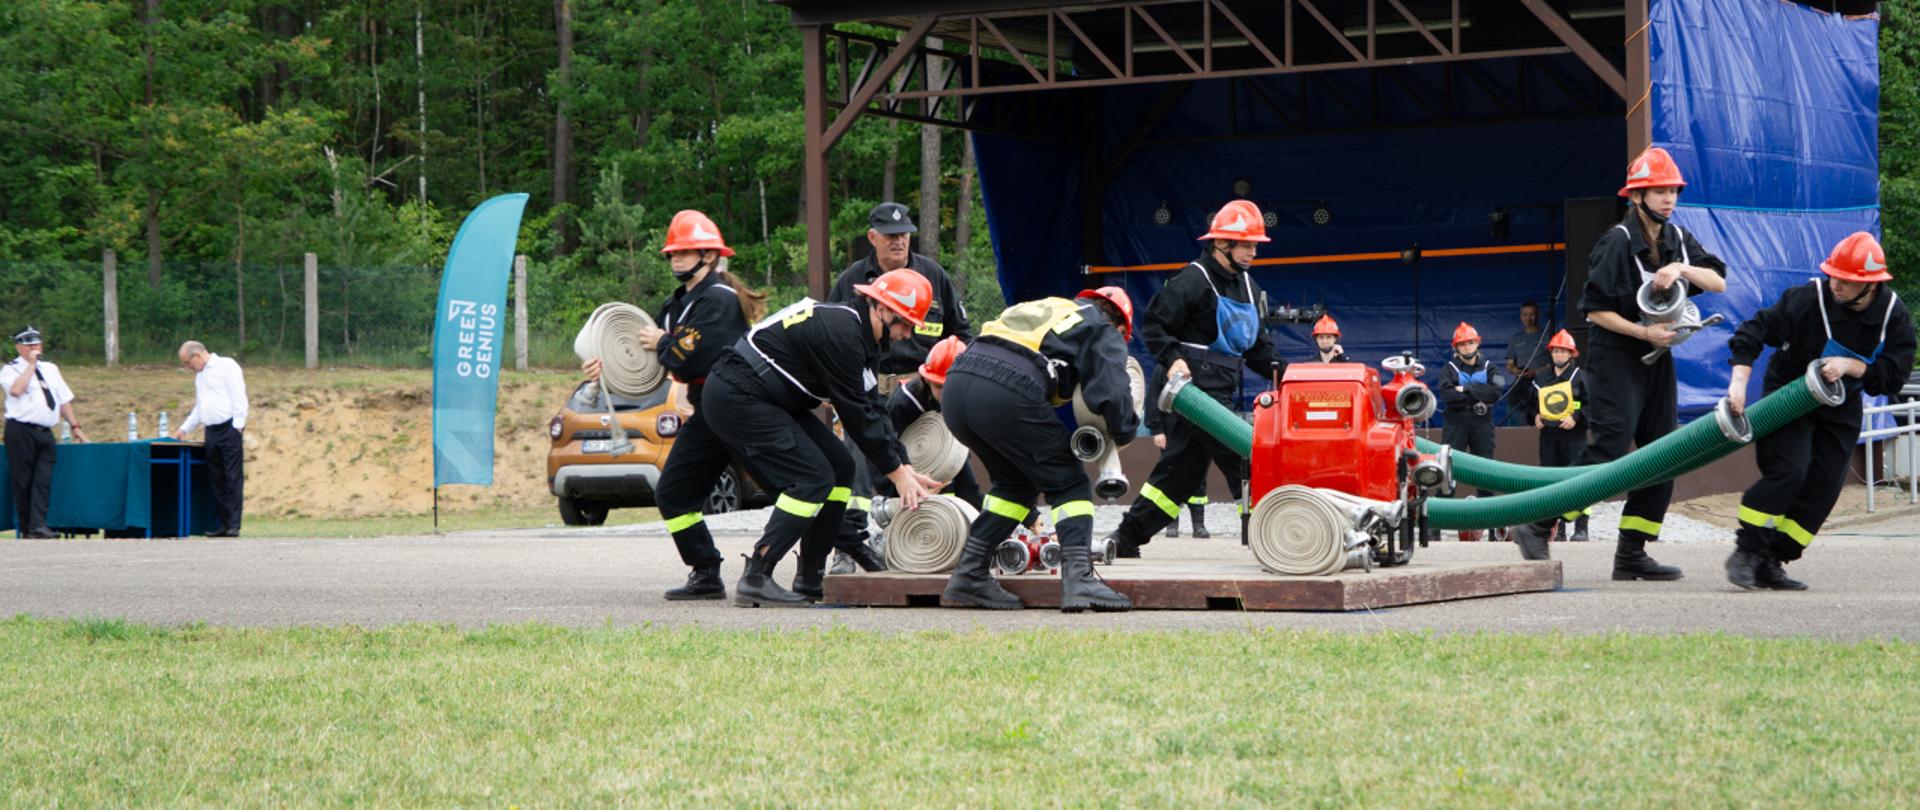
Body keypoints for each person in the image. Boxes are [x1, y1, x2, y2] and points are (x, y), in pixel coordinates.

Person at [1521, 146, 1727, 578]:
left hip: (1657, 357)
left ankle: (1632, 552)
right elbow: (1593, 311)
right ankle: (1537, 525)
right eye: (1658, 190)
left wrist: (1681, 271)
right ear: (1636, 196)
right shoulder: (1616, 241)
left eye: (1672, 190)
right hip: (1618, 353)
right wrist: (1644, 332)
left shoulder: (1677, 240)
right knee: (1609, 448)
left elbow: (1719, 282)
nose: (1668, 198)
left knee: (1662, 452)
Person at [704, 268, 943, 607]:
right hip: (737, 394)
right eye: (905, 323)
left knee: (841, 466)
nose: (907, 334)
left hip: (770, 396)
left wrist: (904, 464)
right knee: (811, 478)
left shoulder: (865, 337)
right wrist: (898, 476)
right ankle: (757, 574)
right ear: (883, 309)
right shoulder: (843, 334)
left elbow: (873, 409)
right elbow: (857, 416)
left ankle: (810, 576)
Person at [583, 210, 768, 601]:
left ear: (710, 257)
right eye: (672, 253)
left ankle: (822, 557)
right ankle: (705, 571)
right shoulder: (676, 304)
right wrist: (604, 364)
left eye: (685, 252)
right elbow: (646, 357)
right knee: (674, 493)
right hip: (706, 411)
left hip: (740, 407)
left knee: (788, 487)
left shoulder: (720, 299)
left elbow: (691, 357)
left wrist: (664, 343)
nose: (676, 259)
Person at [1723, 232, 1915, 590]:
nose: (1836, 284)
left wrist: (1851, 366)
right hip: (1789, 395)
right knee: (1790, 471)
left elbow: (1891, 377)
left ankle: (1772, 560)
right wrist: (1739, 382)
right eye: (1833, 275)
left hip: (1841, 404)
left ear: (1870, 286)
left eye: (1847, 280)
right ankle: (1746, 550)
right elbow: (1754, 330)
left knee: (1824, 487)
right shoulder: (1809, 299)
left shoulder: (1893, 316)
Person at [1104, 200, 1286, 558]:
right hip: (1193, 394)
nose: (1253, 252)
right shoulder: (1193, 279)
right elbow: (1155, 325)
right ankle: (1281, 537)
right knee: (1245, 456)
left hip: (1222, 387)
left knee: (1178, 475)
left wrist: (1289, 376)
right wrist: (1172, 360)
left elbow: (1258, 348)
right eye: (1246, 245)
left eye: (1254, 246)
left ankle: (1125, 539)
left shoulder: (1248, 286)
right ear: (1221, 244)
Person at [941, 287, 1140, 611]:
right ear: (1120, 326)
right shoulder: (1103, 327)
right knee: (1070, 483)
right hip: (1005, 390)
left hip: (957, 385)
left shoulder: (1049, 305)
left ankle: (969, 575)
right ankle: (1080, 579)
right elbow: (1113, 391)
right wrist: (1124, 430)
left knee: (1016, 484)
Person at [827, 202, 972, 569]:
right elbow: (832, 338)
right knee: (857, 470)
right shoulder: (851, 281)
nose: (899, 241)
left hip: (926, 394)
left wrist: (950, 385)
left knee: (954, 467)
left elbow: (961, 336)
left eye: (905, 234)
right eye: (891, 235)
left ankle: (969, 546)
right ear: (872, 237)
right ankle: (847, 548)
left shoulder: (933, 276)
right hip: (870, 392)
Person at [827, 335, 986, 574]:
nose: (944, 393)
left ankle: (980, 547)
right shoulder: (903, 404)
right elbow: (883, 449)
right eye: (939, 386)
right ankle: (868, 543)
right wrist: (900, 486)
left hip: (943, 450)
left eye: (950, 386)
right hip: (896, 453)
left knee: (970, 492)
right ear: (925, 379)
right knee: (863, 486)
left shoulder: (969, 400)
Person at [2, 326, 85, 538]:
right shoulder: (10, 369)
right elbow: (16, 390)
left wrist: (75, 426)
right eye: (29, 345)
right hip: (21, 429)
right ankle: (27, 527)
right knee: (23, 480)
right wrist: (30, 365)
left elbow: (63, 399)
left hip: (45, 430)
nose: (34, 348)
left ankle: (39, 525)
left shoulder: (51, 369)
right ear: (19, 347)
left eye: (37, 344)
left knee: (43, 480)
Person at [1435, 322, 1505, 541]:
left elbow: (1495, 392)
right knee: (1447, 471)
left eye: (1470, 343)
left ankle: (1493, 527)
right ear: (1456, 347)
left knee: (1485, 473)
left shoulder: (1490, 367)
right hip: (1455, 423)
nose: (1467, 347)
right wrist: (1478, 393)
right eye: (1462, 344)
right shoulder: (1448, 368)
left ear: (1477, 343)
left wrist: (1465, 389)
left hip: (1482, 424)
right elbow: (1447, 396)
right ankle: (1436, 526)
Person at [174, 341, 250, 537]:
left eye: (187, 363)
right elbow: (200, 407)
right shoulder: (200, 378)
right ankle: (223, 523)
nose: (188, 368)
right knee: (217, 478)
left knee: (232, 477)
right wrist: (185, 428)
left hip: (229, 428)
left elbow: (238, 395)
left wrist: (238, 425)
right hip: (211, 431)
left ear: (197, 356)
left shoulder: (226, 365)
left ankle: (234, 524)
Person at [1529, 329, 1590, 544]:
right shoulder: (1541, 377)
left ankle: (1581, 528)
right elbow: (1530, 403)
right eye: (1556, 351)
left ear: (1572, 354)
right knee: (1551, 483)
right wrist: (1534, 416)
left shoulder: (1582, 377)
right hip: (1549, 437)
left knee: (1578, 482)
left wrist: (1577, 418)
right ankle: (1558, 528)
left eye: (1564, 352)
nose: (1559, 355)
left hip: (1575, 437)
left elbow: (1593, 407)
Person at [1504, 301, 1549, 425]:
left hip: (1543, 379)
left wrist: (1536, 371)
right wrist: (1516, 371)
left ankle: (1538, 421)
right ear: (1520, 316)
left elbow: (1555, 363)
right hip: (1523, 380)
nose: (1528, 318)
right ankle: (1527, 424)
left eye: (1532, 314)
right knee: (1512, 398)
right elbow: (1509, 364)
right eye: (1525, 315)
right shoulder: (1516, 338)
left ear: (1538, 315)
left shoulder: (1547, 335)